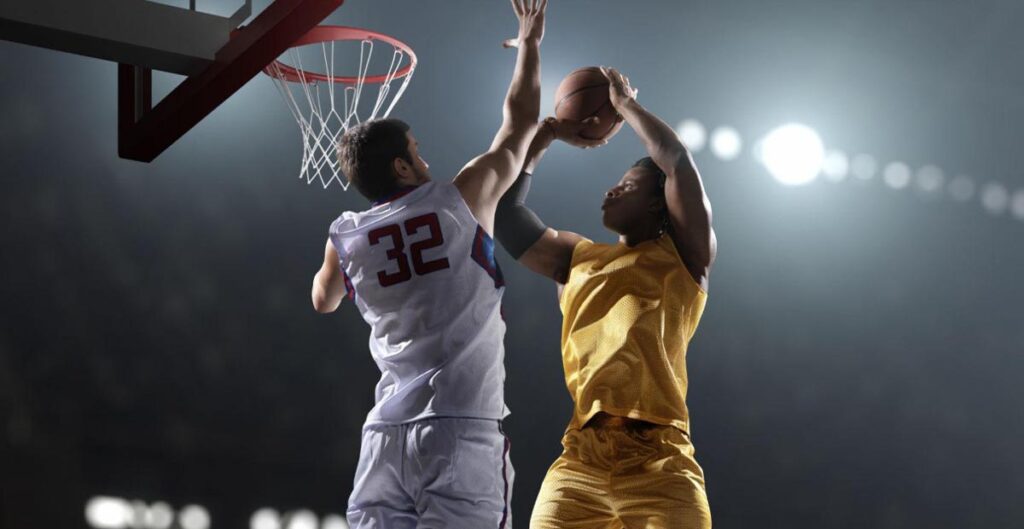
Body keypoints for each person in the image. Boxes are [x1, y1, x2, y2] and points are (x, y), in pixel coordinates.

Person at [309, 1, 548, 527]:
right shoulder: (460, 199)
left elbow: (322, 301)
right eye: (417, 151)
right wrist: (530, 43)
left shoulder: (344, 235)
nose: (426, 159)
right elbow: (521, 124)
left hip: (384, 436)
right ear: (401, 165)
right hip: (461, 425)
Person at [494, 67, 716, 529]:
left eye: (629, 185)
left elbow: (676, 160)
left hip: (661, 463)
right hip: (581, 463)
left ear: (657, 203)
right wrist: (545, 136)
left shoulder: (683, 257)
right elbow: (505, 214)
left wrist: (624, 106)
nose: (612, 188)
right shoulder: (575, 257)